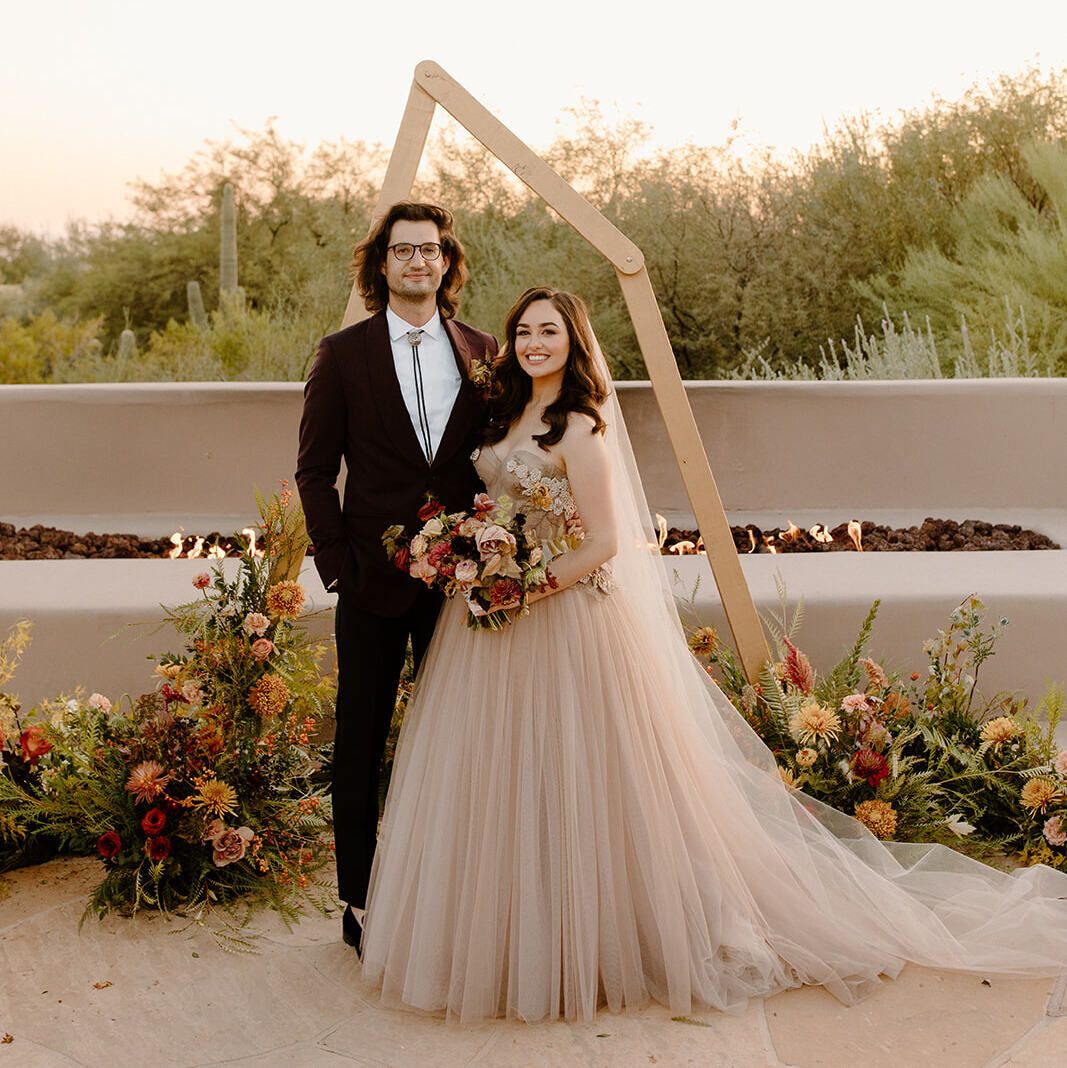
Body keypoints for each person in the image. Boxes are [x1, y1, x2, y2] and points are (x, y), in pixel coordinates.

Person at [359, 285, 1067, 1023]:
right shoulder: (505, 415)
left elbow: (604, 541)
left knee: (586, 780)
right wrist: (471, 560)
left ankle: (601, 940)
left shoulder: (581, 427)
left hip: (562, 620)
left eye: (550, 330)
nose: (536, 342)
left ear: (574, 343)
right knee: (502, 779)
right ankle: (508, 934)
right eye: (525, 331)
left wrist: (518, 592)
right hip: (490, 632)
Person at [295, 202, 497, 953]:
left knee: (463, 739)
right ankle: (360, 900)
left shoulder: (483, 352)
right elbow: (315, 471)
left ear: (447, 262)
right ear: (380, 265)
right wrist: (338, 562)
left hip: (459, 585)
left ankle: (451, 890)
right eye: (403, 250)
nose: (418, 261)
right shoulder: (341, 354)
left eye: (431, 249)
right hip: (372, 583)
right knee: (360, 740)